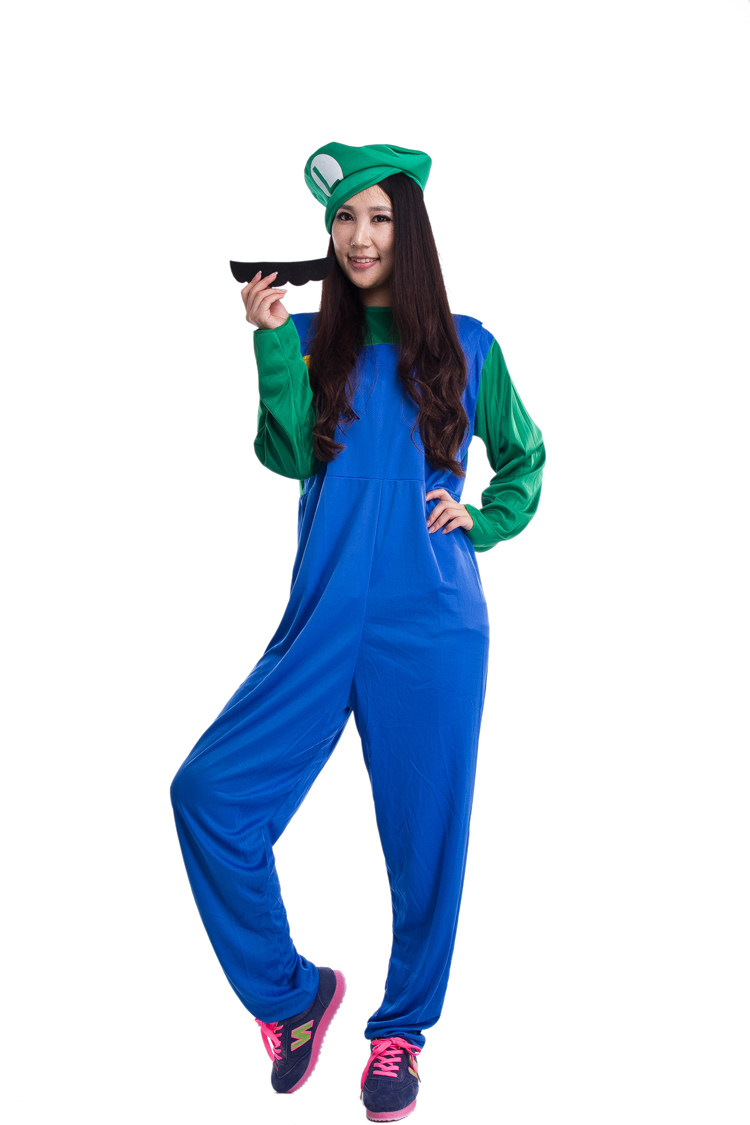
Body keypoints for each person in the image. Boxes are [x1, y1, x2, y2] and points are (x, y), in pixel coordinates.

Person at [170, 141, 546, 1122]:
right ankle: (293, 997)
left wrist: (485, 520)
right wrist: (267, 342)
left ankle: (400, 1032)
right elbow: (288, 454)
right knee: (209, 794)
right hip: (322, 612)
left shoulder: (467, 343)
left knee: (427, 838)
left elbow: (525, 457)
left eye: (379, 217)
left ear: (407, 231)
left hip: (432, 623)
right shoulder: (306, 339)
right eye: (345, 219)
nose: (360, 235)